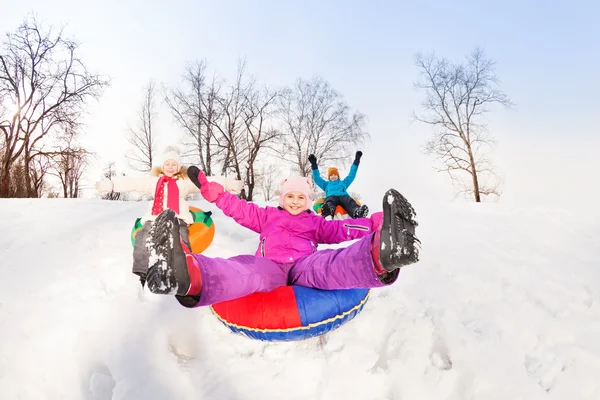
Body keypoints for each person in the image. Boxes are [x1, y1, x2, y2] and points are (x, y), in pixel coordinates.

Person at [139, 165, 420, 309]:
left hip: (303, 266)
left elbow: (343, 230)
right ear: (282, 198)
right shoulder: (267, 216)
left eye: (301, 197)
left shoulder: (315, 222)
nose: (295, 202)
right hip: (270, 266)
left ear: (309, 200)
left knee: (328, 264)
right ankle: (187, 274)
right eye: (290, 197)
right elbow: (240, 209)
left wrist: (376, 223)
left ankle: (383, 252)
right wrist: (215, 193)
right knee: (245, 269)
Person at [95, 146, 242, 283]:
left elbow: (206, 182)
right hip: (154, 218)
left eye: (174, 165)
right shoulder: (153, 181)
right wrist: (111, 185)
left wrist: (227, 183)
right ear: (162, 166)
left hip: (178, 217)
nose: (170, 167)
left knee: (182, 236)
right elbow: (133, 183)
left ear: (178, 167)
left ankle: (184, 269)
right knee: (143, 236)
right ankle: (142, 270)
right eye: (167, 164)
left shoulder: (184, 182)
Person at [308, 151, 369, 219]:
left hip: (343, 196)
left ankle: (357, 212)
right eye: (331, 175)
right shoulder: (326, 184)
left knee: (349, 201)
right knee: (329, 202)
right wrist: (314, 165)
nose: (333, 176)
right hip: (331, 197)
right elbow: (317, 179)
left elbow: (351, 175)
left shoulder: (343, 183)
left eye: (335, 175)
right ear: (329, 177)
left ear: (338, 176)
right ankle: (328, 212)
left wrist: (356, 160)